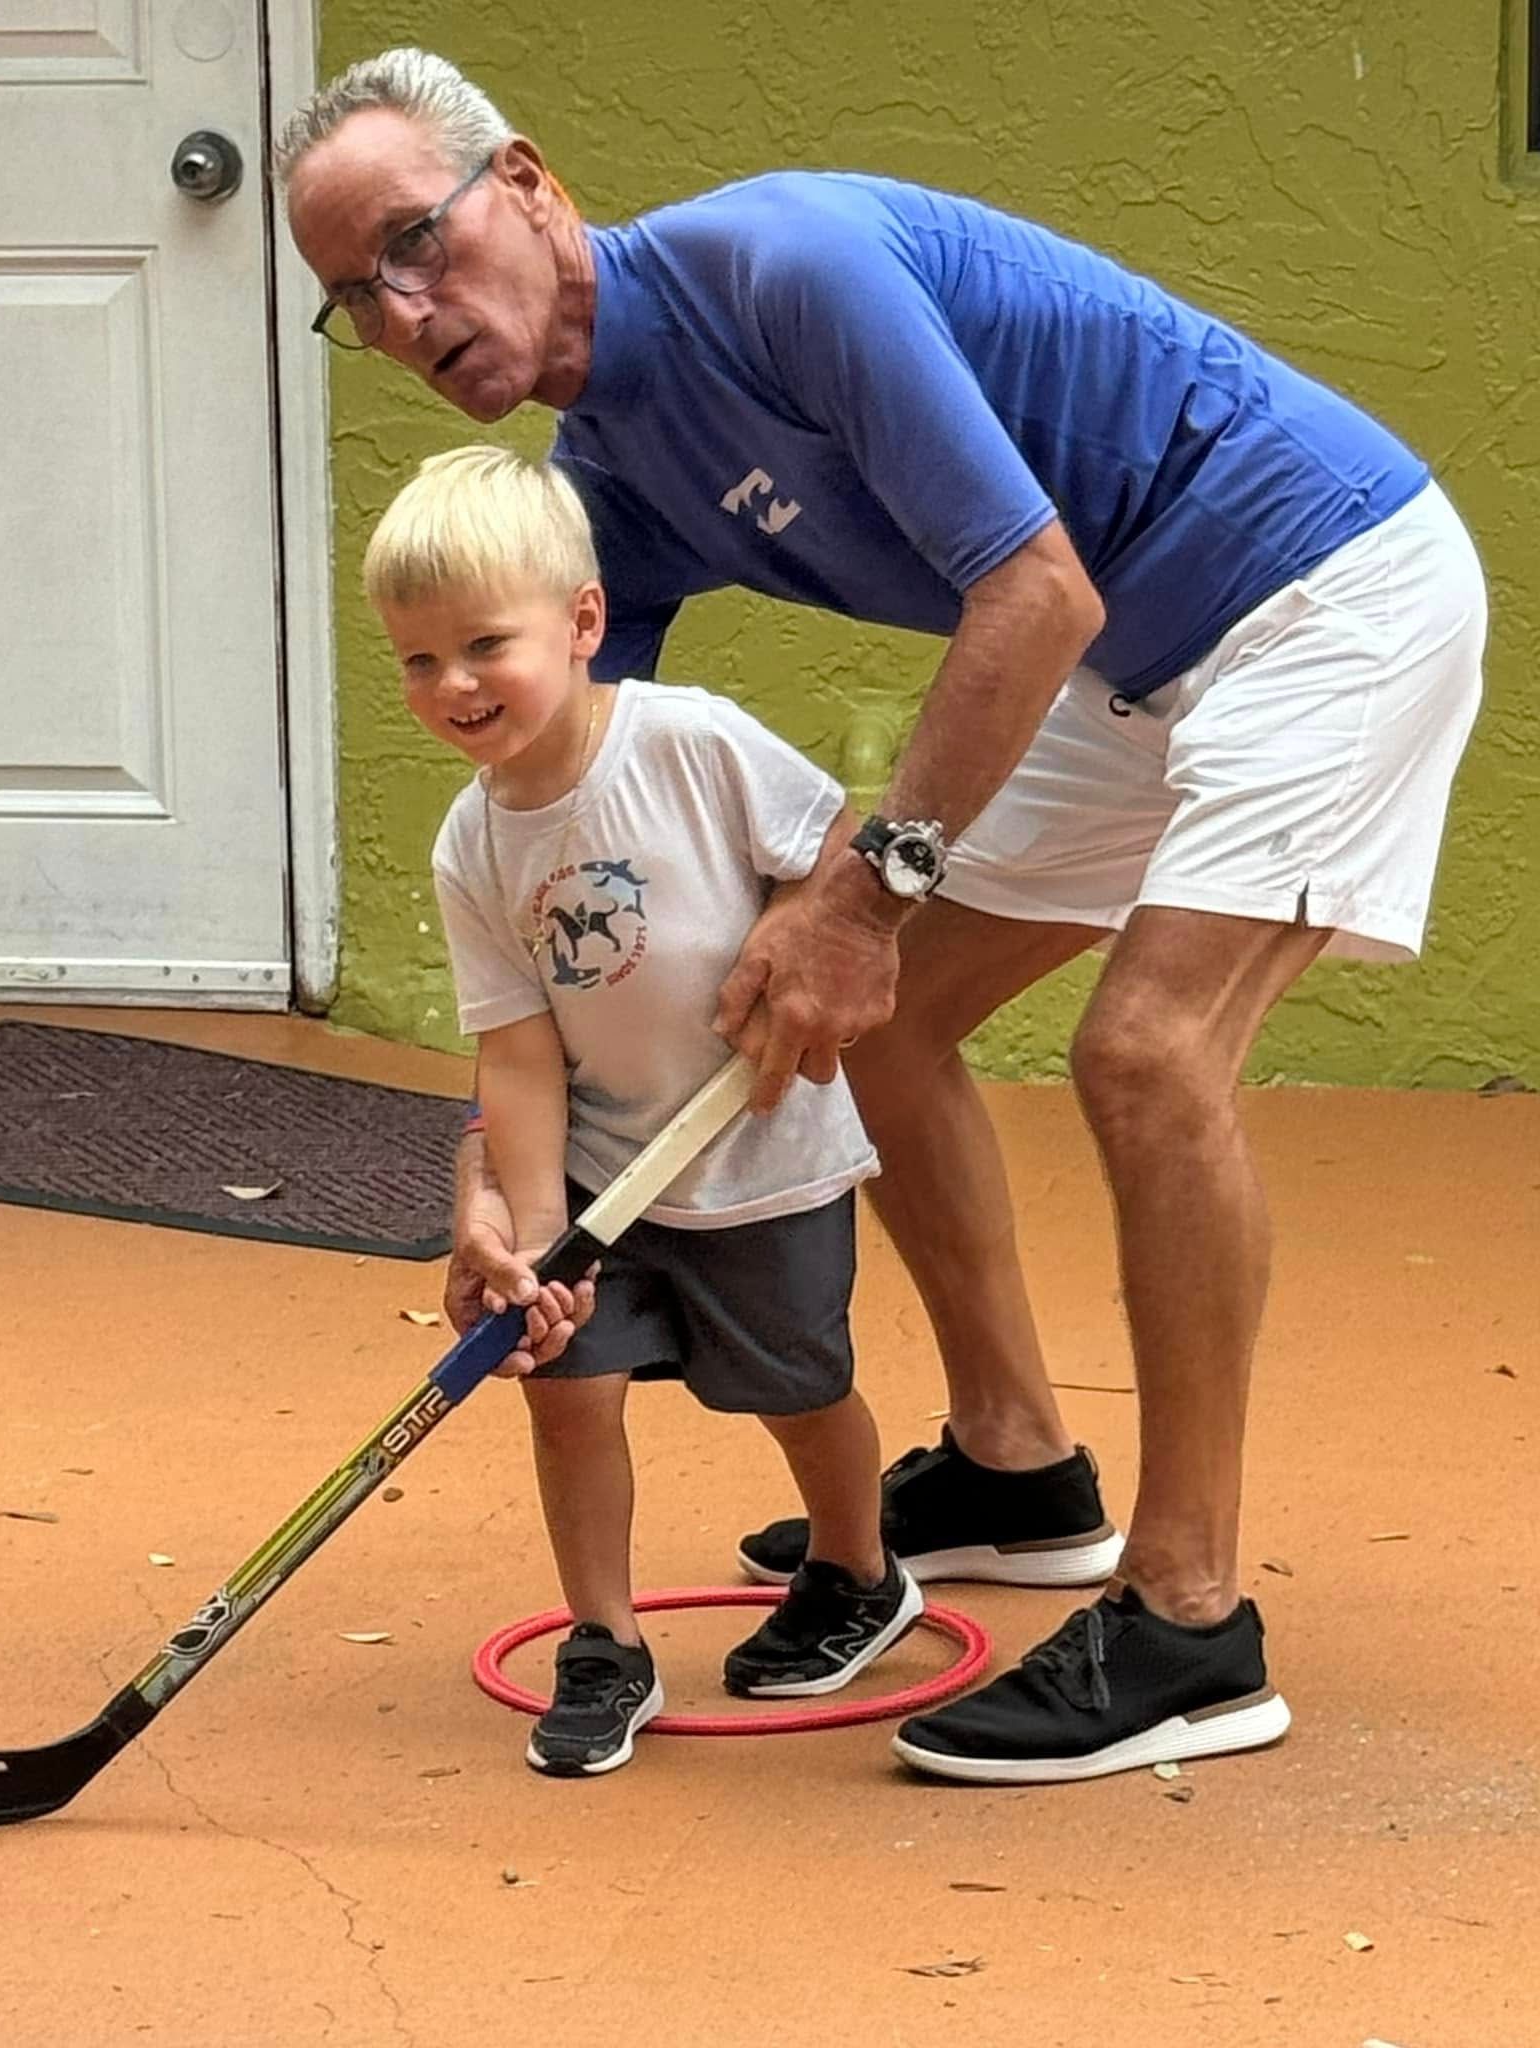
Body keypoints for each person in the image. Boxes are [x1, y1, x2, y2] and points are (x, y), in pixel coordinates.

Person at [279, 51, 1488, 1784]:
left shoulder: (785, 273)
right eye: (353, 299)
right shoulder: (601, 476)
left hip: (1323, 586)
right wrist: (493, 1175)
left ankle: (1195, 1622)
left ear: (529, 186)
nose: (402, 315)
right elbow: (556, 852)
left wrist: (859, 888)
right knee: (889, 1019)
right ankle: (1016, 1467)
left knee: (1145, 1053)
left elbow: (1034, 586)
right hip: (1131, 661)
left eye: (415, 245)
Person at [366, 444, 921, 1777]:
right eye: (415, 660)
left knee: (798, 1392)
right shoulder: (472, 841)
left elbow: (830, 865)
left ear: (583, 622)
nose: (450, 686)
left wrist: (795, 938)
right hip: (604, 1167)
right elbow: (516, 1052)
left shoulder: (693, 743)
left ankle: (857, 1569)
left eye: (482, 644)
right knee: (569, 1390)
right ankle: (605, 1641)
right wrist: (537, 1238)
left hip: (764, 1159)